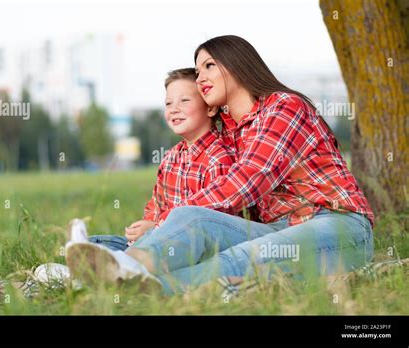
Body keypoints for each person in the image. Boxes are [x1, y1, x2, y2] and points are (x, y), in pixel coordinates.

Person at [67, 35, 374, 295]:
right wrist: (163, 224)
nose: (200, 78)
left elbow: (246, 182)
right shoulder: (227, 130)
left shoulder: (283, 107)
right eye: (197, 71)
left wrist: (161, 225)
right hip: (275, 227)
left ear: (239, 66)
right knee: (194, 220)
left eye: (209, 66)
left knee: (238, 258)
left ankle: (130, 283)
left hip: (335, 224)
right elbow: (198, 185)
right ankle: (117, 266)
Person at [64, 67, 241, 283]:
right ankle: (89, 262)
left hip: (188, 250)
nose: (174, 109)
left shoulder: (218, 158)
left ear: (211, 109)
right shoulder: (170, 158)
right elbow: (156, 205)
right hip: (155, 239)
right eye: (168, 103)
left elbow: (210, 219)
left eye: (184, 101)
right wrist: (145, 225)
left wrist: (155, 227)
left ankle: (104, 271)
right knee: (102, 244)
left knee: (135, 247)